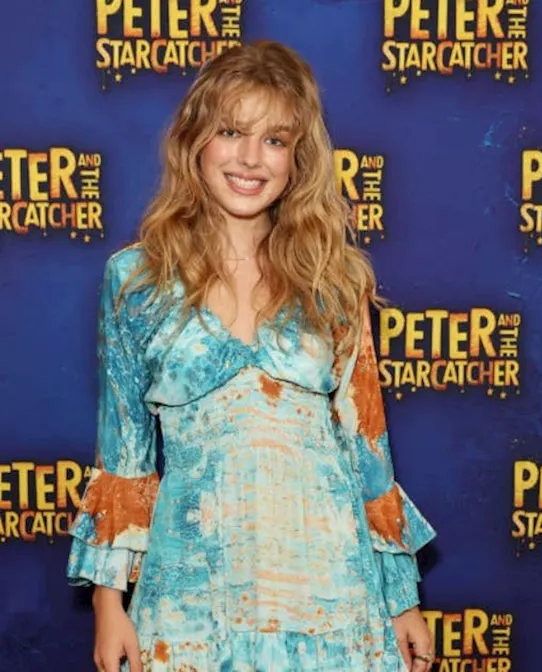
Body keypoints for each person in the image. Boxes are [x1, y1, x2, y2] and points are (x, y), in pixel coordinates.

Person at [66, 41, 438, 672]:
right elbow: (125, 457)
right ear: (194, 142)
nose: (249, 158)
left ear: (298, 158)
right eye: (231, 132)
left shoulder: (334, 280)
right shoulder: (136, 281)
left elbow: (367, 452)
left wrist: (401, 600)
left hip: (334, 601)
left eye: (274, 140)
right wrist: (109, 604)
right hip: (191, 604)